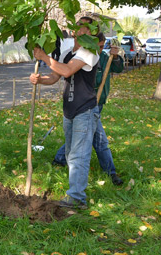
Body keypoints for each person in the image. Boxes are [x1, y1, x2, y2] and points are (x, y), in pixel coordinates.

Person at [30, 16, 100, 209]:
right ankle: (74, 191)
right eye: (79, 27)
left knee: (79, 155)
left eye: (87, 29)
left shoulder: (89, 51)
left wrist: (44, 57)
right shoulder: (69, 52)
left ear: (92, 33)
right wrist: (39, 79)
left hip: (84, 109)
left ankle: (77, 198)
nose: (81, 31)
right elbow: (55, 76)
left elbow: (68, 71)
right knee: (70, 154)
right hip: (69, 109)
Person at [52, 32, 125, 186]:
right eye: (97, 46)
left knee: (84, 136)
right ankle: (110, 173)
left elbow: (118, 68)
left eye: (102, 46)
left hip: (98, 103)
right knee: (95, 139)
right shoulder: (83, 56)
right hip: (88, 104)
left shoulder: (104, 57)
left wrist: (116, 56)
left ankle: (60, 159)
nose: (99, 49)